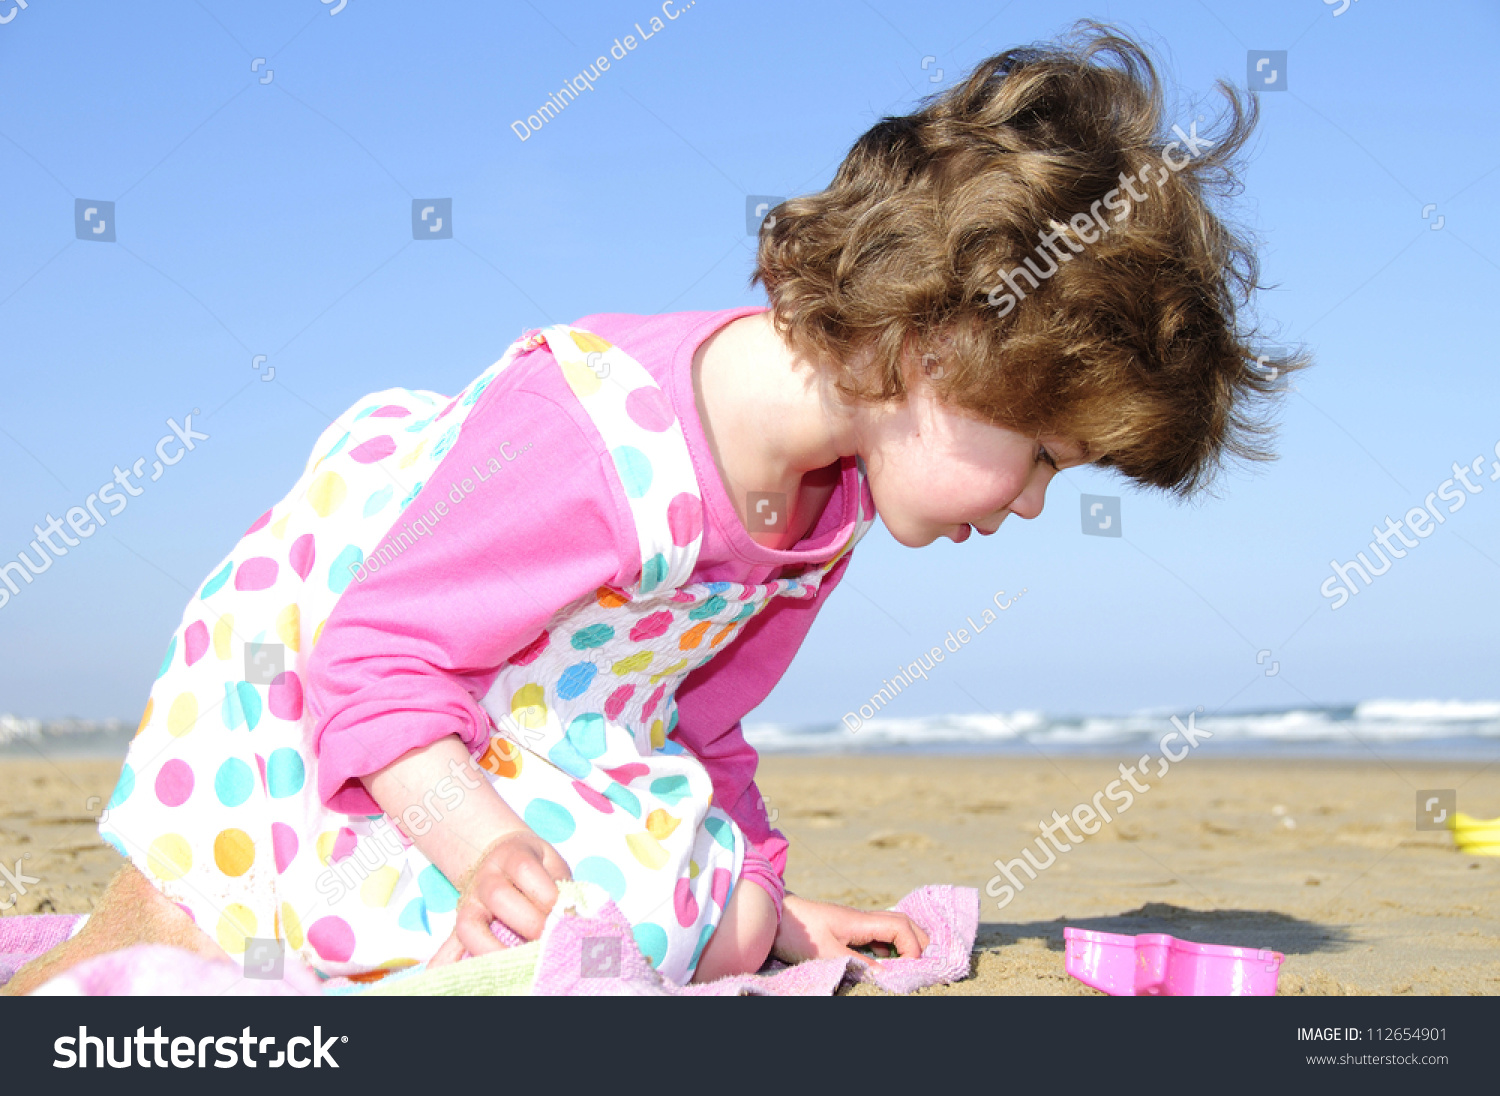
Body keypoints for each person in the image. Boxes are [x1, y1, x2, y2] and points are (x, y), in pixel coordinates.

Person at [6, 22, 1301, 994]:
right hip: (337, 707)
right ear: (938, 344)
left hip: (542, 724)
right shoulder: (592, 445)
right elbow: (373, 657)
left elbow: (703, 729)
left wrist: (783, 913)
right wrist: (477, 851)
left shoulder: (821, 507)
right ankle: (165, 922)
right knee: (199, 930)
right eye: (1040, 457)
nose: (1028, 505)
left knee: (722, 922)